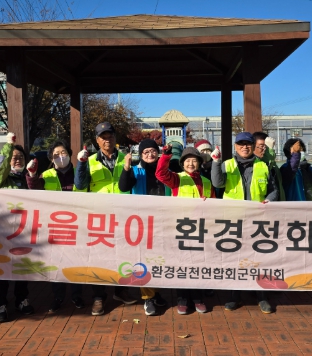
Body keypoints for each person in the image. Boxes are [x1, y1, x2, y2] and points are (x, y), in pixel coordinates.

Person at [210, 132, 278, 314]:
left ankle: (261, 295)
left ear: (253, 146)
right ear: (235, 146)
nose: (244, 147)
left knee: (259, 258)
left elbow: (273, 190)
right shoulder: (227, 165)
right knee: (236, 258)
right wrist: (215, 162)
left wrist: (269, 200)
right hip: (233, 221)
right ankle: (235, 295)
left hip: (257, 221)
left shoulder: (263, 165)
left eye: (248, 144)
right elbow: (217, 183)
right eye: (240, 144)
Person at [74, 121, 137, 314]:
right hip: (99, 218)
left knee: (122, 256)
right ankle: (99, 297)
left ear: (115, 138)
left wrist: (128, 168)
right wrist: (81, 164)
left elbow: (130, 185)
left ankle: (120, 291)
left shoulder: (126, 159)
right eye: (103, 137)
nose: (107, 140)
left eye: (110, 136)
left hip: (123, 216)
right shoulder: (89, 161)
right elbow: (80, 186)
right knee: (98, 258)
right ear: (97, 140)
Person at [26, 139, 93, 313]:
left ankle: (76, 295)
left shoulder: (80, 171)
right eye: (56, 154)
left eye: (63, 153)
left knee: (76, 261)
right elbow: (36, 191)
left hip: (78, 225)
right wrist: (32, 175)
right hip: (55, 226)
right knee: (56, 262)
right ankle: (58, 296)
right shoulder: (46, 174)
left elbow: (84, 186)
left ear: (70, 155)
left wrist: (82, 164)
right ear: (51, 158)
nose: (60, 156)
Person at [157, 146, 214, 314]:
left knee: (198, 264)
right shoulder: (177, 178)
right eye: (187, 160)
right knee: (181, 264)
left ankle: (197, 298)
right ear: (182, 164)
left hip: (200, 230)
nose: (191, 164)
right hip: (180, 230)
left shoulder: (206, 181)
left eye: (194, 160)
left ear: (199, 163)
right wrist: (166, 156)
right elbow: (160, 174)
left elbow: (215, 205)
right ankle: (182, 298)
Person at [118, 138, 168, 315]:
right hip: (142, 222)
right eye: (145, 152)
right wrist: (126, 167)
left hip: (163, 221)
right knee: (144, 259)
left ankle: (156, 293)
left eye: (153, 151)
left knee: (159, 259)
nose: (149, 154)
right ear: (140, 154)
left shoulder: (165, 170)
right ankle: (148, 298)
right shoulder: (135, 170)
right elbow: (123, 187)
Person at [0, 133, 35, 322]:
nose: (17, 160)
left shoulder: (28, 178)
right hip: (4, 232)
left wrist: (32, 176)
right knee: (1, 269)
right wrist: (8, 146)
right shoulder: (3, 179)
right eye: (14, 157)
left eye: (21, 157)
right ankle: (0, 305)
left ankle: (21, 300)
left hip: (25, 232)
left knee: (22, 269)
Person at [253, 132, 286, 201]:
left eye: (266, 147)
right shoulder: (253, 164)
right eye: (262, 146)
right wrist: (270, 151)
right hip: (261, 204)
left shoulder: (273, 164)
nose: (264, 149)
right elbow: (266, 167)